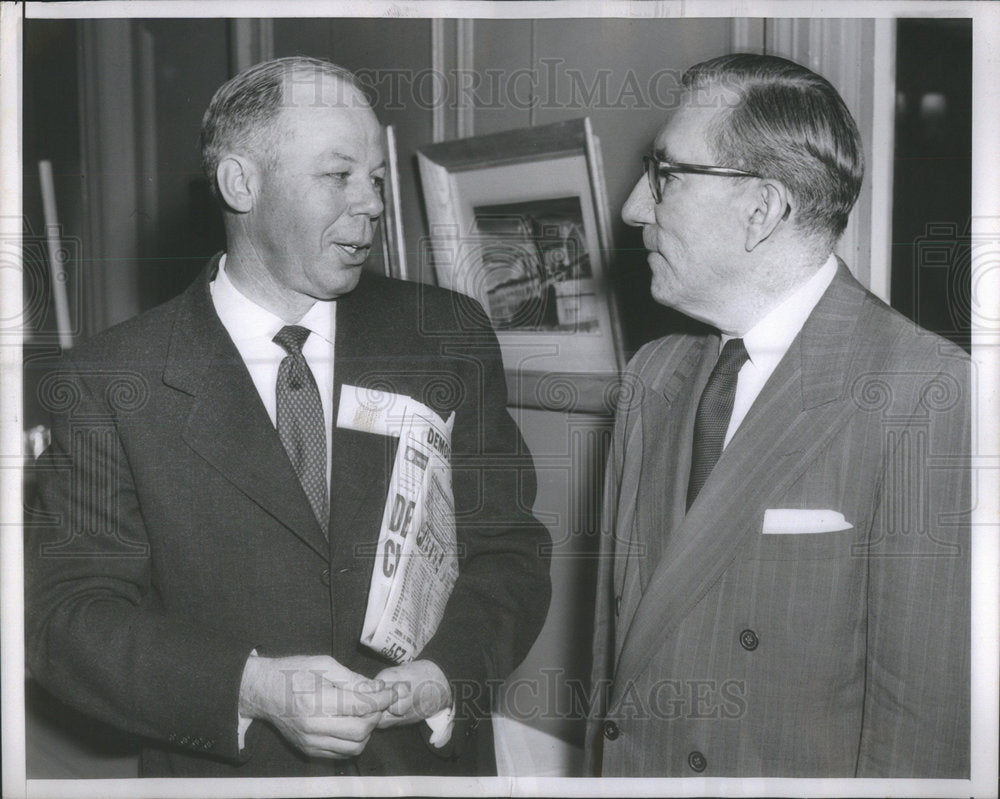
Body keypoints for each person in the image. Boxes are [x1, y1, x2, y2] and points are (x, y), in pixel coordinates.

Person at [26, 56, 551, 778]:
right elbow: (66, 618)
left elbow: (509, 552)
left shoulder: (446, 336)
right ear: (241, 182)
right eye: (339, 177)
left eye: (375, 179)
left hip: (425, 766)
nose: (371, 205)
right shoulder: (112, 380)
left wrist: (443, 675)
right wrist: (254, 688)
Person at [586, 53, 969, 778]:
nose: (636, 205)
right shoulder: (651, 378)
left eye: (665, 173)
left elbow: (924, 739)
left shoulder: (926, 393)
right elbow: (613, 678)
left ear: (760, 209)